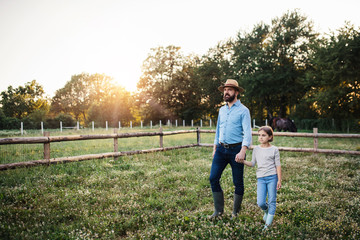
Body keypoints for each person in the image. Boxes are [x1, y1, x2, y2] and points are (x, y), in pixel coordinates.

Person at [209, 79, 252, 219]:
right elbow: (218, 130)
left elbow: (247, 133)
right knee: (213, 178)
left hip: (236, 150)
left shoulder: (244, 111)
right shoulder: (221, 110)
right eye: (225, 89)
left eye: (230, 89)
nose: (226, 92)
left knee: (238, 182)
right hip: (221, 150)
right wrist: (215, 147)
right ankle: (218, 212)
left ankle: (235, 213)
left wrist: (243, 151)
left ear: (236, 92)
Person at [240, 126, 282, 230]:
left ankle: (267, 227)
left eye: (263, 135)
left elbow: (278, 165)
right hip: (261, 178)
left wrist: (279, 180)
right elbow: (253, 163)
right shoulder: (256, 149)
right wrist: (243, 161)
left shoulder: (274, 150)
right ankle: (266, 211)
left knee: (272, 200)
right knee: (261, 202)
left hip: (272, 177)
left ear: (270, 137)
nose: (260, 137)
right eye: (259, 135)